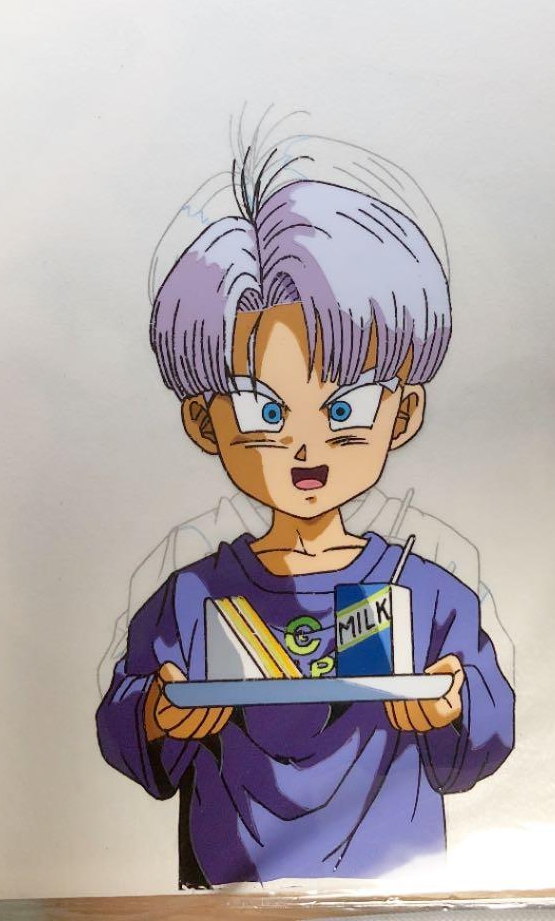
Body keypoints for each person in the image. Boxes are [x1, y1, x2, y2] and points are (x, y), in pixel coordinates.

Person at [95, 169, 514, 886]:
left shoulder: (427, 594)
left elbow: (485, 734)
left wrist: (453, 705)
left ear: (404, 414)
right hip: (227, 898)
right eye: (264, 412)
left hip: (394, 898)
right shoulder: (193, 598)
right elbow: (124, 725)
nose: (306, 446)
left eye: (345, 409)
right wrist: (160, 714)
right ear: (203, 422)